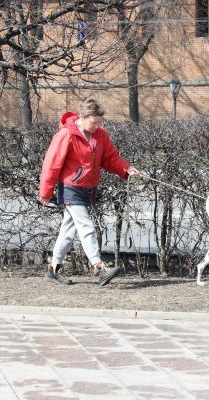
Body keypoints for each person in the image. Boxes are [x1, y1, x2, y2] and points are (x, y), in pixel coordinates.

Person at [38, 97, 139, 286]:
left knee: (68, 231)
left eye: (100, 122)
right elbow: (52, 162)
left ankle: (52, 269)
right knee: (86, 227)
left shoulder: (100, 135)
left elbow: (110, 158)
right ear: (83, 117)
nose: (97, 126)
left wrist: (126, 168)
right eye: (94, 122)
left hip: (87, 189)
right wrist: (46, 190)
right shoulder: (67, 134)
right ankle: (99, 268)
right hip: (70, 187)